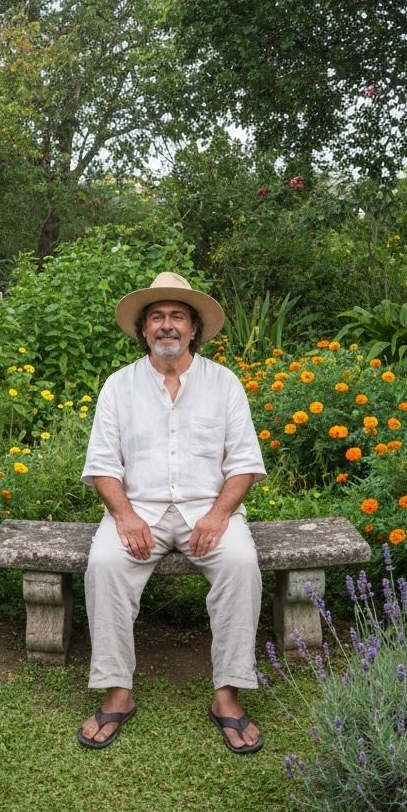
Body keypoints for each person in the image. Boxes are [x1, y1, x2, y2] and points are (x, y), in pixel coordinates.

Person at [77, 272, 267, 754]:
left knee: (241, 564)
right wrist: (123, 517)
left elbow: (244, 463)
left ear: (193, 329)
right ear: (143, 329)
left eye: (177, 317)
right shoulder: (119, 386)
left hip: (209, 510)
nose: (167, 326)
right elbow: (102, 465)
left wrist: (219, 515)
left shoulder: (224, 384)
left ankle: (227, 693)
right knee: (105, 564)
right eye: (157, 317)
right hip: (138, 509)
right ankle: (118, 689)